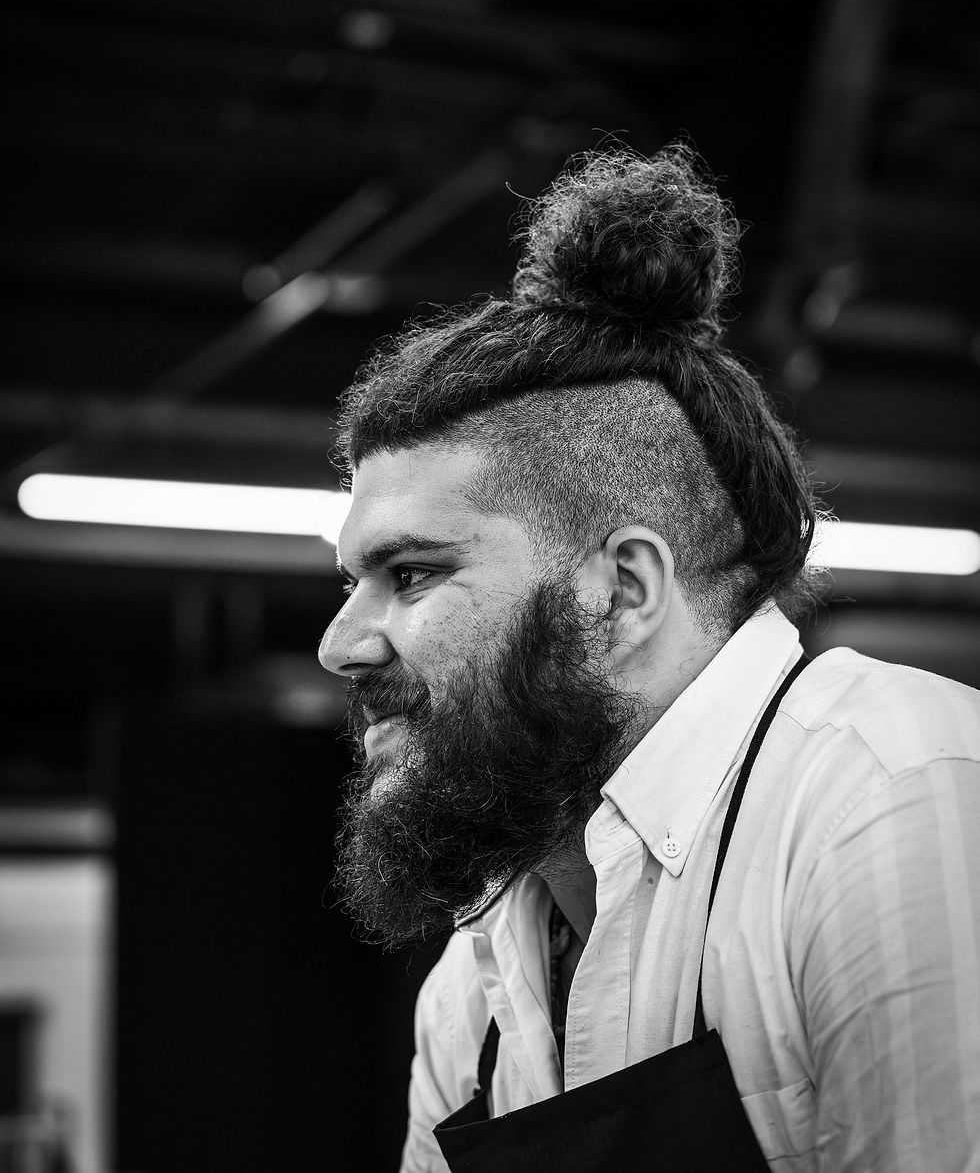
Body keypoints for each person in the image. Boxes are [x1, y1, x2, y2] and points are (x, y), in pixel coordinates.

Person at [319, 144, 980, 1172]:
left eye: (410, 575)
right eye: (347, 584)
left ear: (621, 591)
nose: (340, 643)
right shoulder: (478, 978)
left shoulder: (888, 791)